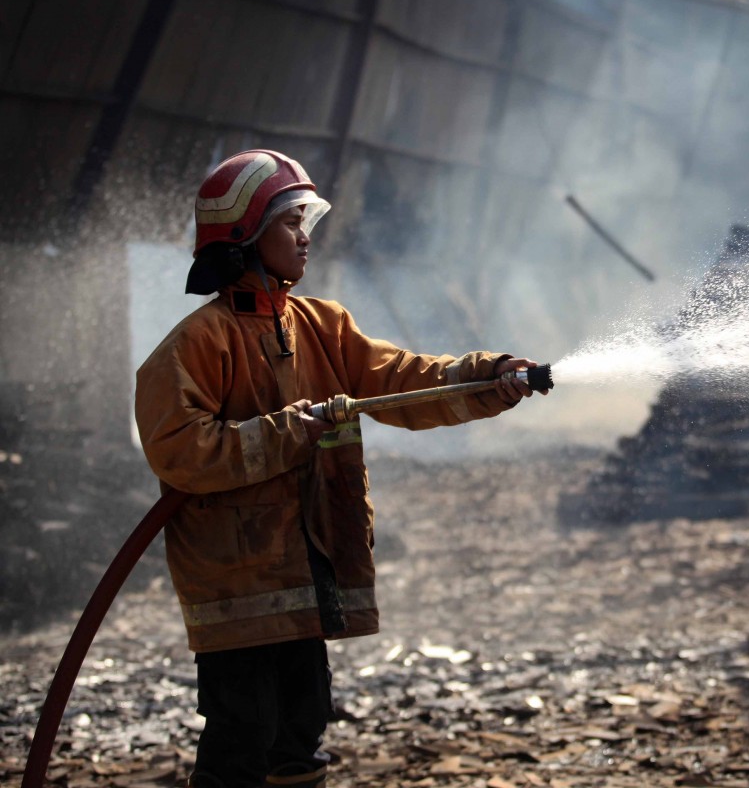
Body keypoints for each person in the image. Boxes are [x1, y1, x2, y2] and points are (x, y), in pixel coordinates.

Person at [134, 149, 543, 788]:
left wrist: (489, 377)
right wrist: (288, 432)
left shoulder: (323, 326)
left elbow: (404, 380)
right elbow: (179, 452)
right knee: (243, 742)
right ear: (244, 236)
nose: (305, 238)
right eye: (290, 223)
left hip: (305, 579)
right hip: (237, 598)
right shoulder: (195, 345)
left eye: (306, 222)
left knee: (301, 735)